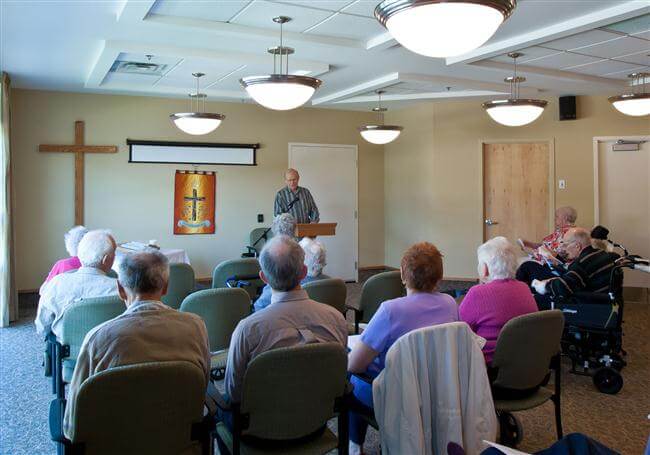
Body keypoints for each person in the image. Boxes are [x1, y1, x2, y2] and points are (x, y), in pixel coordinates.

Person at [63, 250, 210, 438]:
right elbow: (201, 386)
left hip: (114, 443)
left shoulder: (98, 338)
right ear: (165, 287)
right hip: (177, 439)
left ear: (120, 289)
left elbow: (72, 424)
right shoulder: (196, 326)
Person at [347, 242, 459, 454]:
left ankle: (354, 446)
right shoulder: (450, 303)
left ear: (402, 274)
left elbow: (355, 365)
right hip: (435, 390)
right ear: (440, 276)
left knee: (350, 378)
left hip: (393, 396)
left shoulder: (390, 311)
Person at [224, 235, 347, 405]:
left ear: (264, 277)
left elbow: (234, 393)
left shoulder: (247, 330)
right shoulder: (337, 319)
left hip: (261, 427)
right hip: (316, 421)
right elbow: (338, 379)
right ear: (304, 272)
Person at [459, 237, 537, 363]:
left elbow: (460, 330)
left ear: (485, 268)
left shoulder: (478, 293)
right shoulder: (524, 288)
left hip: (490, 364)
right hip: (524, 360)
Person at [35, 230, 118, 339]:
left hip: (68, 352)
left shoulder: (55, 284)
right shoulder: (120, 289)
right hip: (109, 351)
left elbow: (42, 328)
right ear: (106, 259)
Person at [532, 227, 619, 310]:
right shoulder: (602, 254)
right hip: (605, 303)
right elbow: (574, 279)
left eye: (565, 245)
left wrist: (543, 286)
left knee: (535, 299)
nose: (564, 249)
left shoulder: (582, 262)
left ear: (577, 246)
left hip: (587, 306)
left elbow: (564, 287)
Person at [253, 236, 330, 312]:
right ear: (303, 271)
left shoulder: (251, 323)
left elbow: (259, 307)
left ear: (264, 277)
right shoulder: (336, 317)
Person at [516, 206, 578, 285]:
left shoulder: (567, 234)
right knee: (523, 263)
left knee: (525, 265)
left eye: (557, 216)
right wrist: (528, 243)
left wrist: (529, 251)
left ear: (565, 218)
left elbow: (555, 256)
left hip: (557, 271)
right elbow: (546, 245)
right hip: (553, 266)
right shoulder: (565, 231)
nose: (554, 219)